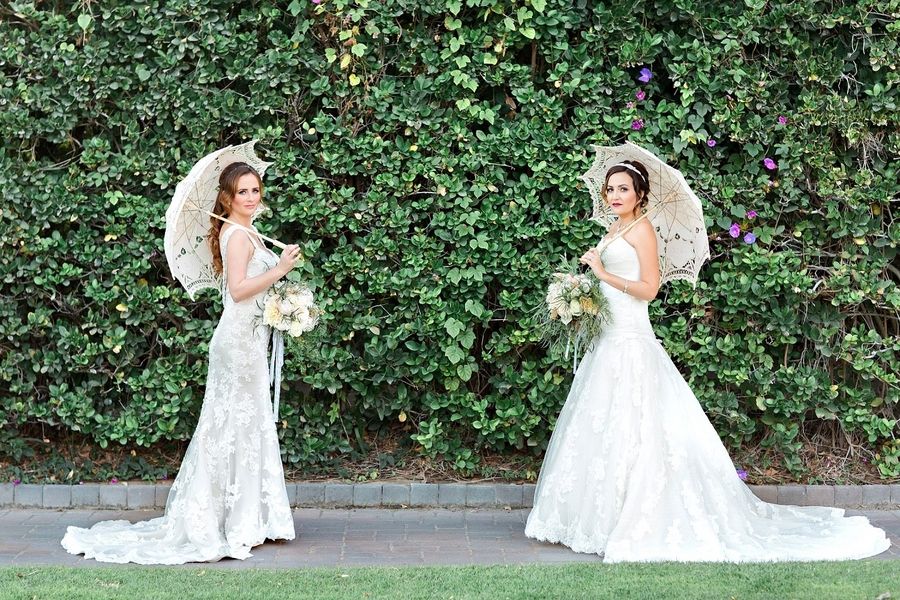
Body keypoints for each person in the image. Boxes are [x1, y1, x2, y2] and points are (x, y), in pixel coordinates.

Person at [523, 160, 891, 562]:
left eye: (623, 189)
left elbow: (648, 289)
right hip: (608, 339)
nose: (614, 195)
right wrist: (584, 295)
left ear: (640, 194)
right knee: (603, 423)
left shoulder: (643, 229)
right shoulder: (615, 228)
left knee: (638, 424)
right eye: (610, 189)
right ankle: (594, 518)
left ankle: (634, 519)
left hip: (631, 340)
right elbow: (611, 285)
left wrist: (602, 273)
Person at [61, 162, 303, 564]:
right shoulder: (238, 235)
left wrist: (283, 302)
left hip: (250, 340)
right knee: (233, 424)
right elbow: (240, 292)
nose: (250, 197)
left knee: (244, 423)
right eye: (242, 192)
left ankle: (248, 519)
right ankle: (232, 522)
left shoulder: (248, 233)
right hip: (238, 343)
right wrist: (279, 269)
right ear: (227, 198)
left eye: (255, 190)